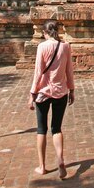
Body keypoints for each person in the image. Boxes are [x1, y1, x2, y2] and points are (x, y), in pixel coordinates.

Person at [28, 20, 75, 179]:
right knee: (57, 128)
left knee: (41, 129)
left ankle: (42, 167)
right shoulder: (66, 46)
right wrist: (72, 90)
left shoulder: (42, 46)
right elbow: (69, 71)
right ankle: (60, 158)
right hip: (61, 92)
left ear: (45, 32)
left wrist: (32, 93)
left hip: (43, 92)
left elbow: (38, 72)